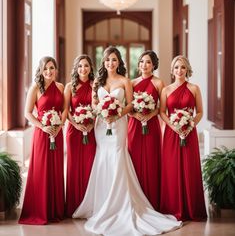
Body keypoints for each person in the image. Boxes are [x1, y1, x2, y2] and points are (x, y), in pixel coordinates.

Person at [72, 46, 182, 236]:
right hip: (101, 125)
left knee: (117, 155)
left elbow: (130, 104)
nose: (110, 63)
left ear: (119, 62)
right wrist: (103, 113)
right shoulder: (97, 81)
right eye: (107, 60)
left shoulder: (125, 81)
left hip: (118, 124)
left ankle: (120, 203)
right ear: (103, 62)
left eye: (114, 60)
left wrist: (116, 114)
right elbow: (94, 104)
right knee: (103, 158)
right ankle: (102, 203)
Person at [19, 56, 67, 225]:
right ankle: (40, 209)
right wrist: (43, 126)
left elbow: (64, 109)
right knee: (41, 169)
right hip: (42, 134)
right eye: (45, 68)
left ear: (56, 70)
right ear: (40, 70)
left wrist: (59, 126)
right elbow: (27, 113)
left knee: (55, 169)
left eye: (52, 68)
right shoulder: (35, 88)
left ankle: (55, 210)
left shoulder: (61, 87)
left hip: (57, 133)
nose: (49, 71)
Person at [160, 55, 207, 221]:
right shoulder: (165, 90)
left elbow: (200, 111)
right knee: (172, 168)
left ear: (187, 70)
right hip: (172, 134)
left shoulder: (194, 88)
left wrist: (190, 125)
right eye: (177, 67)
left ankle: (192, 208)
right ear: (172, 70)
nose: (180, 70)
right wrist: (173, 127)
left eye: (183, 67)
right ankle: (173, 207)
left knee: (189, 168)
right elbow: (162, 112)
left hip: (189, 132)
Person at [128, 50, 164, 210]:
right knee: (134, 160)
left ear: (154, 65)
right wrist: (136, 115)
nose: (144, 65)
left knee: (152, 159)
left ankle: (153, 201)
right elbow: (127, 107)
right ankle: (135, 199)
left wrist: (149, 116)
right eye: (142, 62)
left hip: (152, 125)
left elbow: (161, 108)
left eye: (148, 62)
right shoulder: (132, 83)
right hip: (134, 126)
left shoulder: (158, 83)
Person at [64, 55, 96, 217]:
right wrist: (76, 124)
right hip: (74, 132)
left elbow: (98, 108)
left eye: (86, 66)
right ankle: (73, 205)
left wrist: (92, 123)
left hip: (91, 131)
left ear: (91, 68)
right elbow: (66, 111)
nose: (83, 69)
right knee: (74, 167)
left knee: (90, 165)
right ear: (76, 69)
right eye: (80, 66)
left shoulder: (96, 86)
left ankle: (90, 205)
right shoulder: (70, 87)